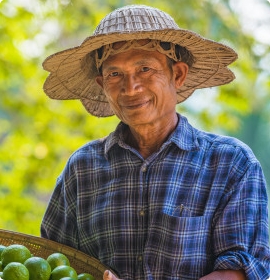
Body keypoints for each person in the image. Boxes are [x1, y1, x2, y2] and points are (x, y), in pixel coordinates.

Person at [40, 5, 270, 280]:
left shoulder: (231, 162)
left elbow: (242, 270)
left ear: (178, 74)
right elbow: (53, 264)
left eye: (145, 69)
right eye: (115, 75)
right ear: (102, 84)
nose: (131, 87)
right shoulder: (81, 169)